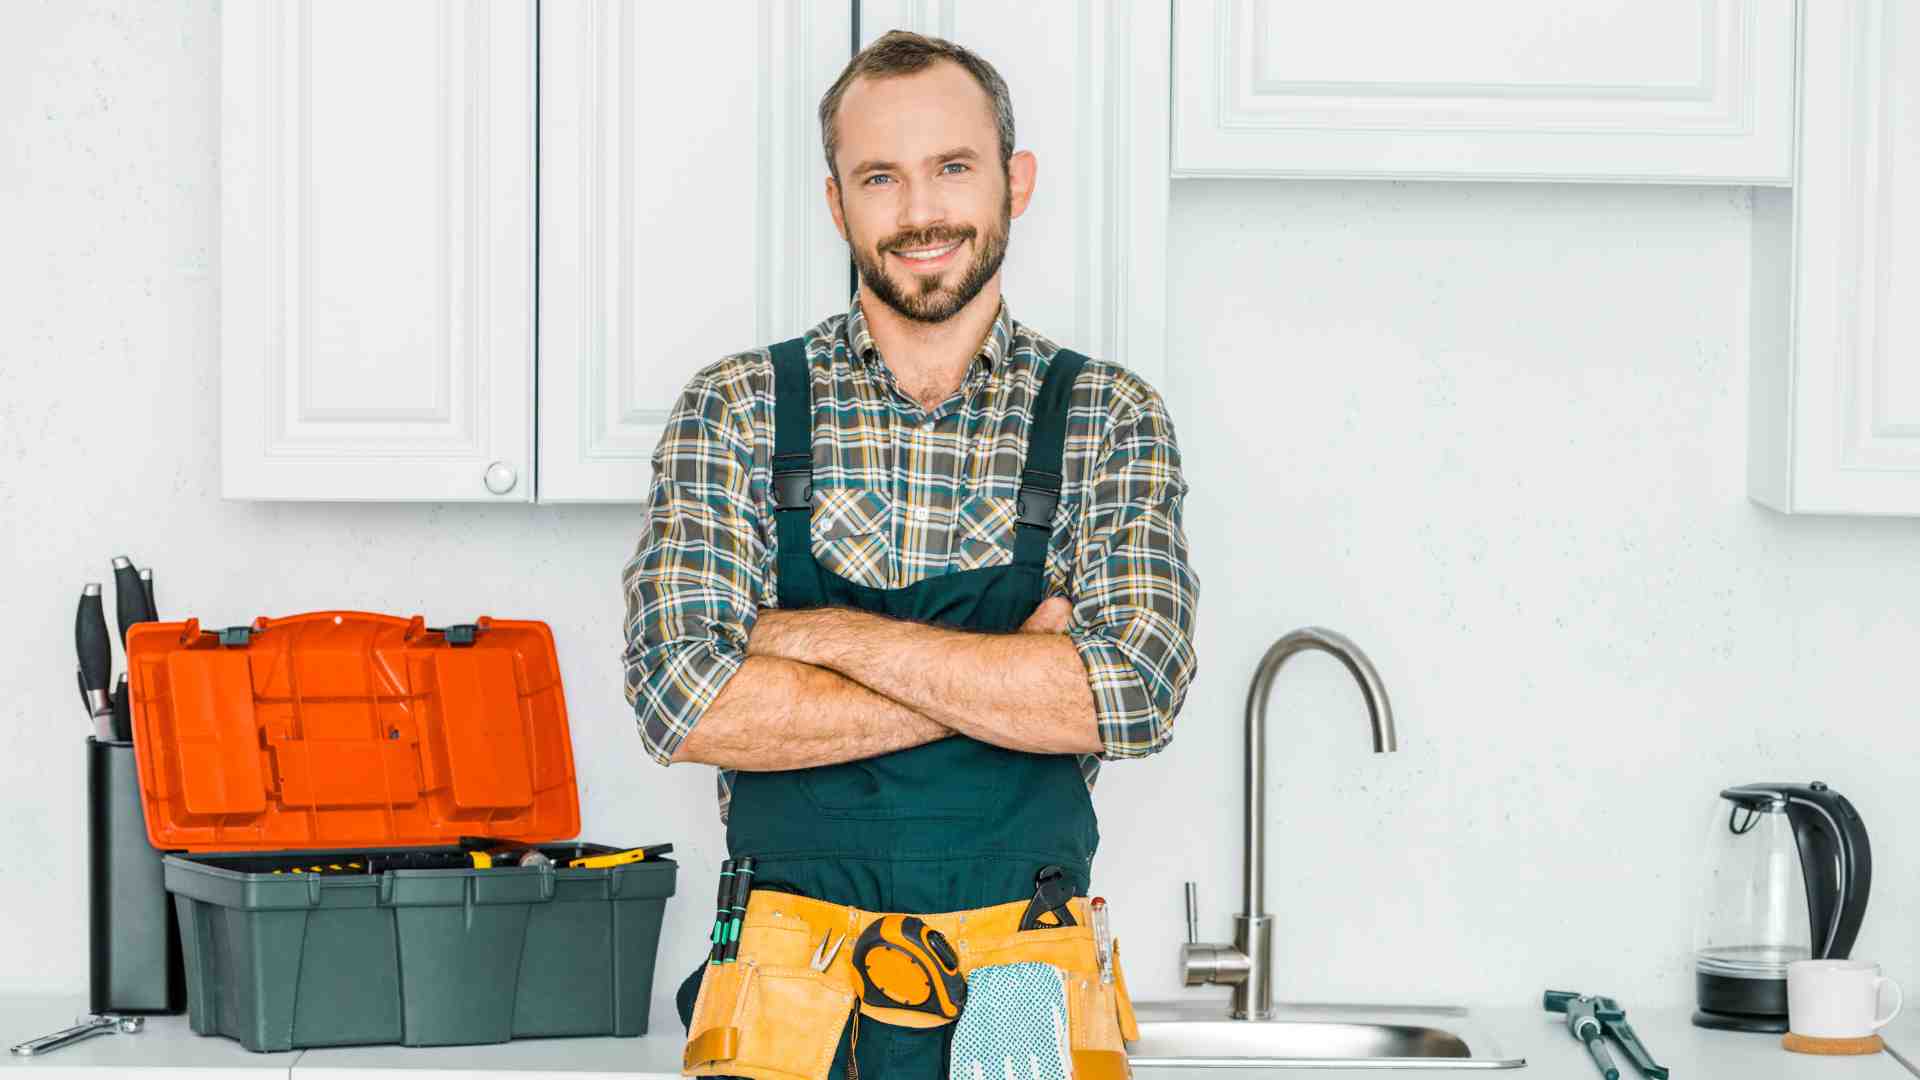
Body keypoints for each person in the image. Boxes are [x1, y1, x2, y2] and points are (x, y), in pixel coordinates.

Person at [621, 29, 1199, 1080]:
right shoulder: (737, 410)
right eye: (881, 176)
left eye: (952, 167)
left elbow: (1133, 694)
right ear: (837, 204)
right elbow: (684, 701)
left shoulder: (1107, 419)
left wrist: (818, 639)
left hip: (1028, 992)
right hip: (784, 1001)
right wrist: (1006, 678)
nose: (921, 210)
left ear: (1015, 183)